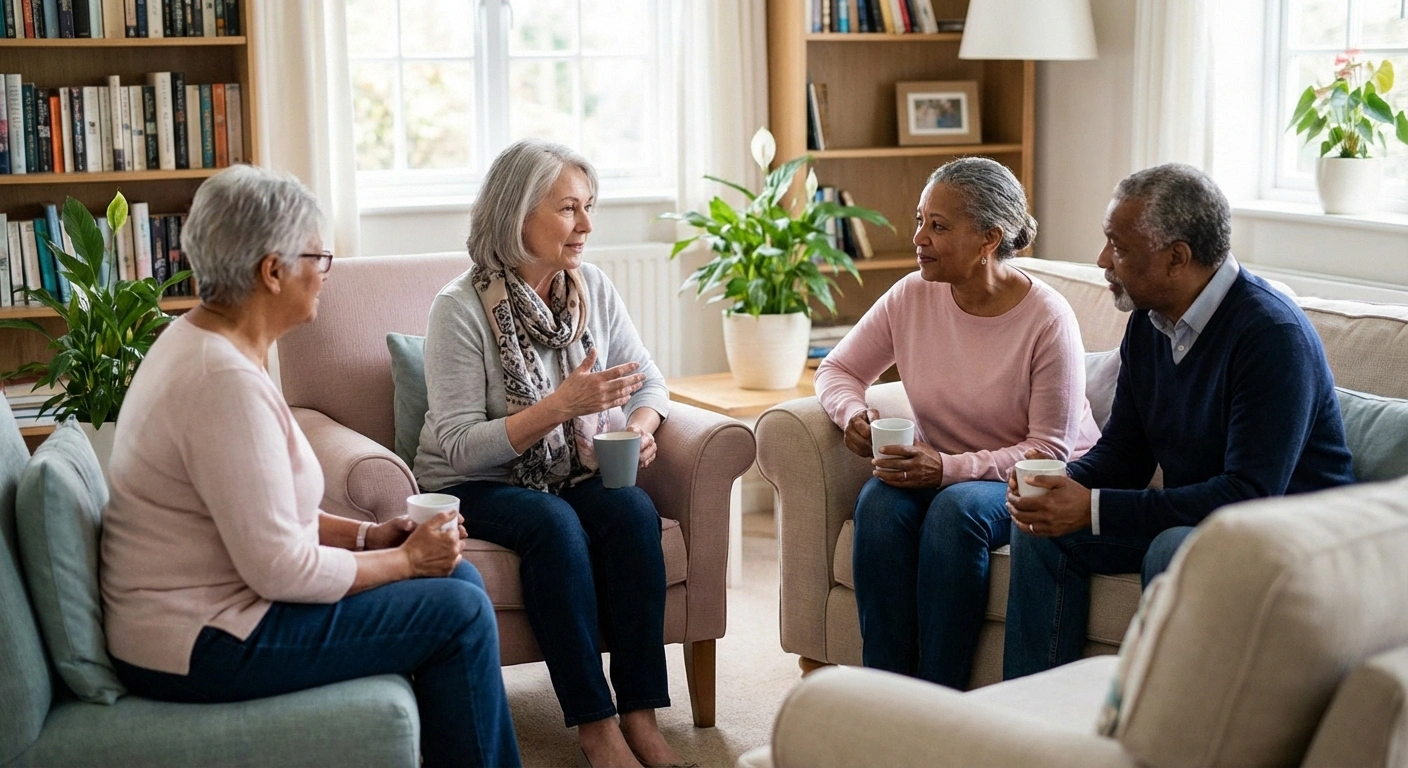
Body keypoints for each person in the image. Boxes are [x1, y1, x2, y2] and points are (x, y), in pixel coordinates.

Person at [100, 165, 521, 768]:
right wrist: (402, 560)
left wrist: (368, 536)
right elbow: (282, 570)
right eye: (320, 258)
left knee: (456, 583)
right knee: (457, 611)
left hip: (210, 617)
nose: (329, 274)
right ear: (272, 271)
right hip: (203, 641)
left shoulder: (210, 344)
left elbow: (265, 509)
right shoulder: (221, 382)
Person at [1002, 163, 1355, 680]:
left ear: (1177, 258)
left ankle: (1158, 734)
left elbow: (1249, 494)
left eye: (1118, 247)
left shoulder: (1271, 335)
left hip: (1293, 537)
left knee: (1175, 547)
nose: (1103, 261)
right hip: (1208, 524)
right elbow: (1125, 453)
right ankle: (1029, 722)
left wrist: (1094, 509)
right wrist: (1059, 483)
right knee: (1040, 527)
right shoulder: (1148, 323)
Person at [415, 139, 688, 768]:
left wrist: (642, 428)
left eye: (588, 207)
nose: (587, 225)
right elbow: (457, 445)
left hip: (568, 468)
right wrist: (560, 407)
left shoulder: (590, 286)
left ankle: (642, 717)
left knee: (630, 514)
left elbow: (649, 380)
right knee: (553, 525)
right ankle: (598, 732)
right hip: (475, 480)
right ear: (517, 213)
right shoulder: (458, 309)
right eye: (569, 209)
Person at [815, 157, 1101, 689]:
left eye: (938, 226)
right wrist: (852, 413)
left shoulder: (1047, 317)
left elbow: (1049, 451)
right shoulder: (911, 295)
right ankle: (886, 693)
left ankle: (939, 700)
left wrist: (946, 468)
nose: (919, 237)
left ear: (989, 238)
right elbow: (839, 369)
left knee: (956, 509)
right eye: (920, 220)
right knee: (878, 503)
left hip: (1033, 478)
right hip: (941, 466)